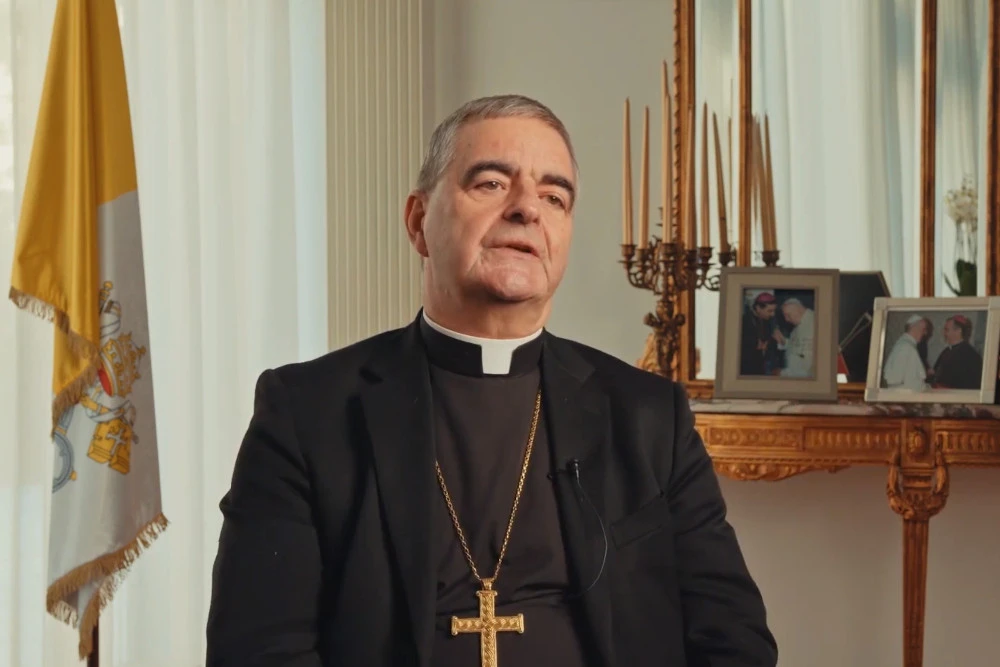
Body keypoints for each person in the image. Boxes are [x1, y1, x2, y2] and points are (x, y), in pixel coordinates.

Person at [205, 94, 777, 667]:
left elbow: (735, 642)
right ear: (418, 222)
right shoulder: (308, 412)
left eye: (554, 197)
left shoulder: (648, 415)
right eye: (491, 183)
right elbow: (257, 651)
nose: (527, 208)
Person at [930, 314, 983, 389]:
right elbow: (936, 372)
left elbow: (968, 383)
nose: (943, 333)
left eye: (946, 330)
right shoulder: (946, 350)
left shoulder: (970, 354)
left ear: (958, 331)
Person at [882, 314, 930, 391]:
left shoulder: (905, 344)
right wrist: (927, 388)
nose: (925, 333)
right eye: (923, 329)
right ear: (913, 327)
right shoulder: (906, 347)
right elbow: (910, 384)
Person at [739, 291, 782, 376]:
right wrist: (756, 346)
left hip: (764, 365)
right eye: (770, 311)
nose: (773, 314)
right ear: (758, 308)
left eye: (774, 311)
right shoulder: (744, 322)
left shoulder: (767, 319)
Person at [774, 298, 815, 378]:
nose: (786, 319)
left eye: (788, 315)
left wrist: (783, 373)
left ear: (798, 310)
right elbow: (797, 345)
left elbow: (807, 363)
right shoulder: (800, 324)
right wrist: (784, 341)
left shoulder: (812, 325)